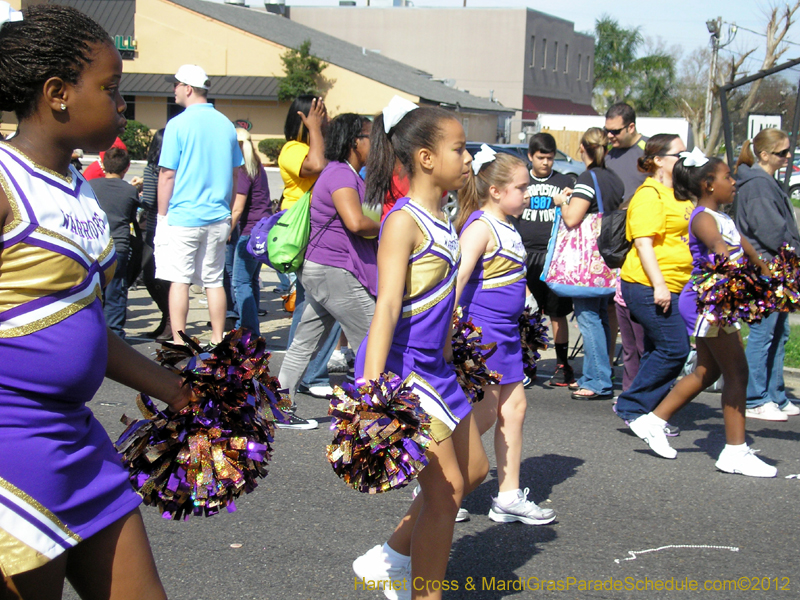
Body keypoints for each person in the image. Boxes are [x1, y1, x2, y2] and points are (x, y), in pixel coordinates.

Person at [0, 4, 192, 597]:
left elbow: (80, 325)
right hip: (13, 446)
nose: (121, 104)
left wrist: (179, 392)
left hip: (79, 439)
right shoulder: (4, 182)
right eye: (110, 89)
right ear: (57, 93)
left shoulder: (78, 187)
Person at [351, 97, 489, 600]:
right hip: (403, 371)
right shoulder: (402, 220)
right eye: (460, 148)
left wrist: (453, 355)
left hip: (438, 368)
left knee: (475, 472)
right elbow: (387, 306)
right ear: (426, 158)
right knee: (445, 495)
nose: (468, 158)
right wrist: (372, 393)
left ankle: (390, 556)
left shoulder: (444, 218)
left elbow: (441, 300)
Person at [628, 151, 777, 477]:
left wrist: (774, 279)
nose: (734, 182)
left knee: (708, 372)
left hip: (716, 299)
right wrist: (750, 287)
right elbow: (722, 253)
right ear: (709, 184)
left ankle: (653, 421)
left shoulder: (722, 217)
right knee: (737, 372)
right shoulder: (702, 218)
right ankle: (734, 452)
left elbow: (749, 252)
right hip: (707, 302)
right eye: (727, 177)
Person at [454, 147, 556, 525]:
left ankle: (508, 496)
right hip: (484, 333)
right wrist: (448, 327)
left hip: (507, 333)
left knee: (514, 410)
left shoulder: (508, 226)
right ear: (495, 191)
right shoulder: (481, 226)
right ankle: (439, 484)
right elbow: (458, 279)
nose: (527, 194)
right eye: (521, 188)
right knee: (482, 414)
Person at [277, 114, 378, 429]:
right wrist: (393, 225)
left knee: (305, 341)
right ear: (355, 141)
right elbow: (356, 222)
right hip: (334, 272)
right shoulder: (341, 175)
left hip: (324, 270)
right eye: (370, 137)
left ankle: (277, 407)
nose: (375, 144)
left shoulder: (343, 172)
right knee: (373, 340)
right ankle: (375, 416)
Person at [156, 63, 243, 346]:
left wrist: (161, 216)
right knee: (214, 280)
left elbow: (167, 174)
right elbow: (235, 174)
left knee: (179, 280)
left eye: (176, 85)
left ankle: (180, 341)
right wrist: (228, 211)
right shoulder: (226, 124)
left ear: (188, 88)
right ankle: (218, 338)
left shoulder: (177, 124)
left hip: (184, 216)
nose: (174, 90)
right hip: (218, 216)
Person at [613, 134, 693, 426]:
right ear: (658, 160)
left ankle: (646, 411)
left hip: (676, 284)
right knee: (675, 349)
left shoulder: (678, 193)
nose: (685, 160)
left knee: (658, 349)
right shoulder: (649, 195)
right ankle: (633, 407)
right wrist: (659, 285)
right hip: (648, 286)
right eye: (679, 155)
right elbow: (644, 244)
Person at [553, 128, 624, 400]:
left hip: (586, 260)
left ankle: (597, 381)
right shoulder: (613, 178)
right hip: (606, 257)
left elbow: (572, 218)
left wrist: (562, 201)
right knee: (600, 315)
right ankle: (600, 374)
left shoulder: (587, 177)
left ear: (582, 147)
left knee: (587, 317)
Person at [734, 129, 800, 421]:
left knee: (779, 332)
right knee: (763, 332)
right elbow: (769, 231)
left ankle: (775, 394)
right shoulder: (758, 184)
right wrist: (794, 250)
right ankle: (754, 398)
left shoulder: (764, 181)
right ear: (763, 155)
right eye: (782, 152)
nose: (788, 156)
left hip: (778, 266)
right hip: (766, 266)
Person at [277, 94, 339, 397]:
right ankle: (308, 375)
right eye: (319, 114)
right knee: (320, 302)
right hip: (302, 233)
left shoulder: (319, 144)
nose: (325, 119)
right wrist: (314, 128)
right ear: (303, 118)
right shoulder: (292, 148)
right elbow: (316, 165)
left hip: (321, 231)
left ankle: (302, 374)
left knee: (313, 304)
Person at [509, 132, 576, 387]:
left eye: (549, 158)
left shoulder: (564, 181)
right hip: (526, 255)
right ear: (530, 156)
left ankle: (562, 364)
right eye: (540, 158)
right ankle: (528, 363)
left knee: (558, 313)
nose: (545, 162)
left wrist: (567, 199)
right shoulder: (521, 181)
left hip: (555, 256)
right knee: (528, 313)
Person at [605, 103, 650, 399]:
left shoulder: (648, 152)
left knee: (641, 321)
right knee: (615, 308)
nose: (610, 136)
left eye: (615, 131)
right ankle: (621, 379)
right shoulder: (609, 155)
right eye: (607, 131)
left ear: (631, 127)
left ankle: (646, 386)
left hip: (643, 240)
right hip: (615, 240)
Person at [89, 147, 140, 339]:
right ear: (126, 168)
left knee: (92, 293)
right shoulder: (130, 191)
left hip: (93, 247)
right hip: (118, 247)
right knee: (116, 293)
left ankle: (92, 333)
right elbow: (133, 216)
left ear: (103, 166)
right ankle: (115, 336)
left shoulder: (91, 186)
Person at [230, 128, 272, 336]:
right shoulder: (257, 166)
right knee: (251, 280)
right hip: (263, 230)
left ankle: (247, 331)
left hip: (249, 232)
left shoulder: (244, 170)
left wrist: (227, 231)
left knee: (240, 282)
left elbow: (237, 208)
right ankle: (250, 329)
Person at [140, 128, 171, 342]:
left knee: (151, 276)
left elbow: (149, 201)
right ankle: (167, 320)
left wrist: (136, 195)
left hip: (156, 226)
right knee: (169, 276)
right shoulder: (179, 166)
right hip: (178, 224)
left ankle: (169, 320)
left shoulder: (152, 168)